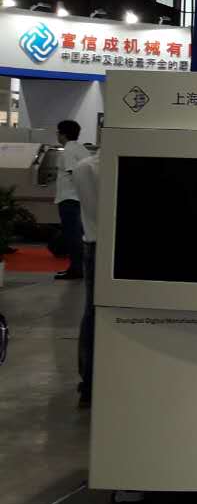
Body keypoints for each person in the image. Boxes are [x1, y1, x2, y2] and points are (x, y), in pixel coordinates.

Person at [73, 147, 99, 408]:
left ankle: (88, 383)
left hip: (93, 244)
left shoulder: (83, 167)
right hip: (105, 245)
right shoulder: (104, 167)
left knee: (91, 313)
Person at [53, 120, 90, 281]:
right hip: (80, 198)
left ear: (63, 134)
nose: (57, 135)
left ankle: (76, 269)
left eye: (58, 132)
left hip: (69, 198)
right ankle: (78, 268)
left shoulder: (68, 151)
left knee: (72, 236)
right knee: (78, 234)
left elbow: (73, 172)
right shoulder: (82, 149)